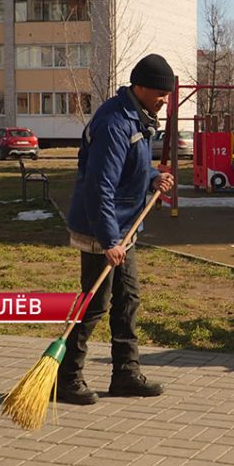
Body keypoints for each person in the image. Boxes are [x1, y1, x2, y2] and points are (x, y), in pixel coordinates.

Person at [58, 54, 178, 404]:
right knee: (94, 304)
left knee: (128, 300)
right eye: (160, 93)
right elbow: (100, 187)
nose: (164, 100)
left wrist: (153, 178)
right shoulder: (115, 122)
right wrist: (109, 240)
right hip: (101, 229)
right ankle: (67, 378)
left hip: (123, 229)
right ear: (139, 86)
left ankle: (125, 374)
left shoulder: (137, 117)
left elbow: (130, 171)